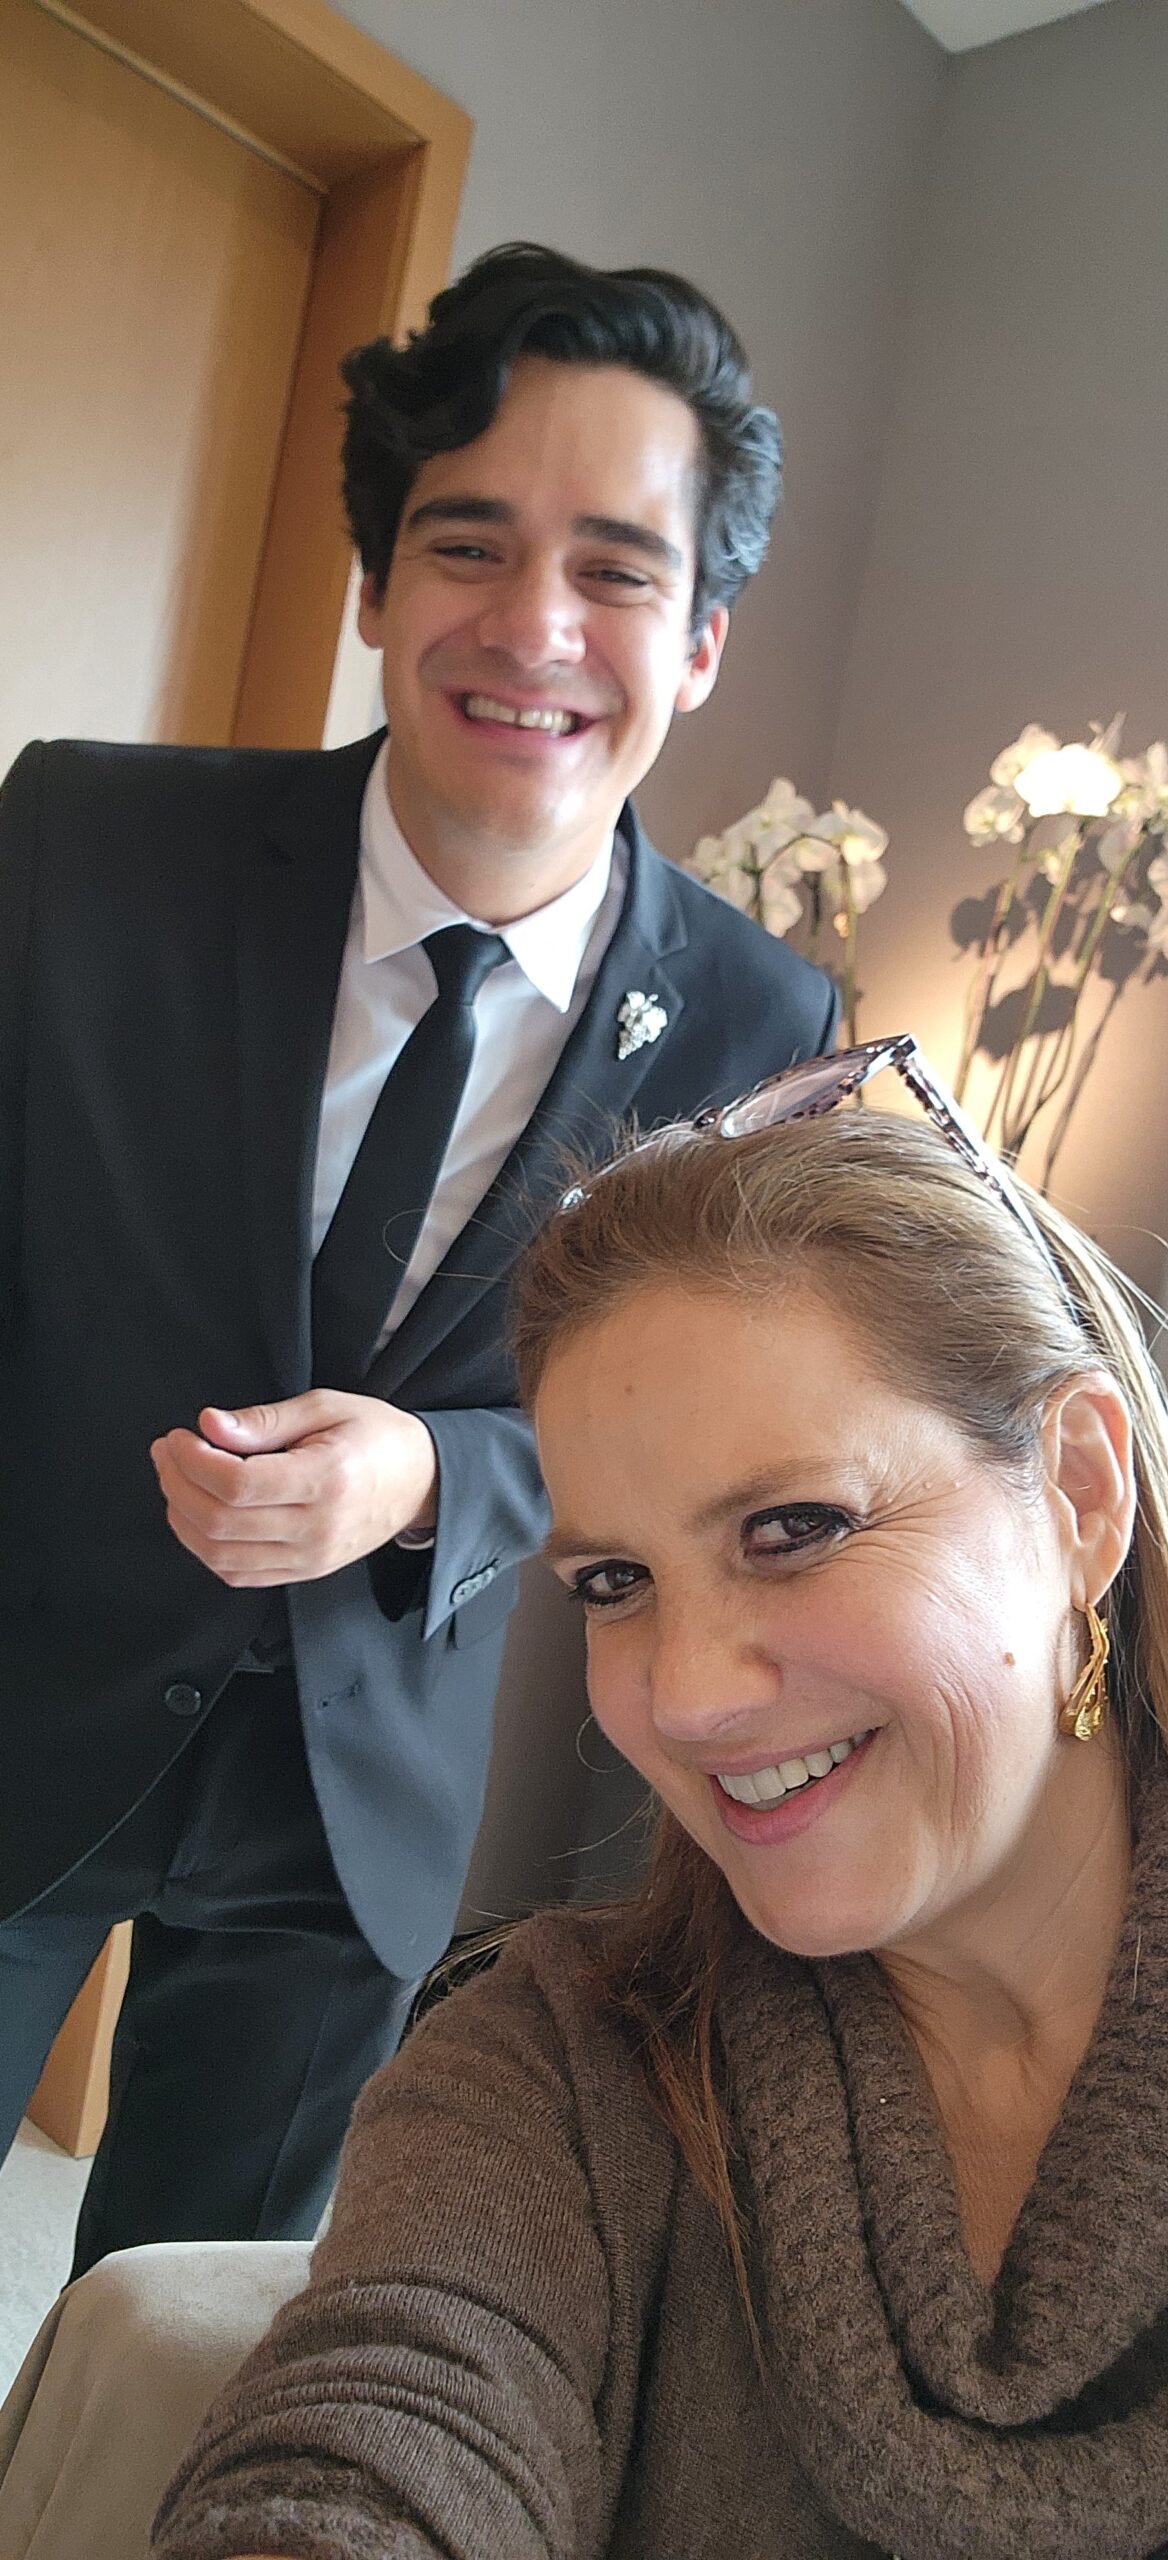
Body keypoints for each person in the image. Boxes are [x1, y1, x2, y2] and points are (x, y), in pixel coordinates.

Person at [0, 241, 839, 2274]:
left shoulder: (766, 1027)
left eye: (616, 569)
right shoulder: (84, 843)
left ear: (701, 640)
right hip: (19, 1689)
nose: (534, 626)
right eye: (470, 542)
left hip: (350, 1812)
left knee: (163, 2347)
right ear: (378, 585)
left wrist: (437, 1474)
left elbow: (700, 1426)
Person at [132, 1038, 1168, 2560]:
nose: (685, 1700)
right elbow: (383, 2422)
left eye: (794, 1528)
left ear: (1081, 1493)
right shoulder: (563, 2058)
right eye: (615, 1583)